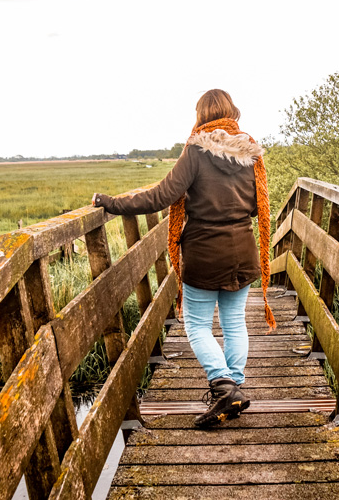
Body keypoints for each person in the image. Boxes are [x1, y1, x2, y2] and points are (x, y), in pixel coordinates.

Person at [91, 89, 274, 429]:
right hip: (244, 250)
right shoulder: (251, 152)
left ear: (201, 114)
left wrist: (111, 202)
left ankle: (223, 384)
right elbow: (256, 205)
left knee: (197, 324)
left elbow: (162, 195)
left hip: (205, 252)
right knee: (234, 322)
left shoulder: (195, 149)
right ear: (232, 112)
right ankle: (232, 388)